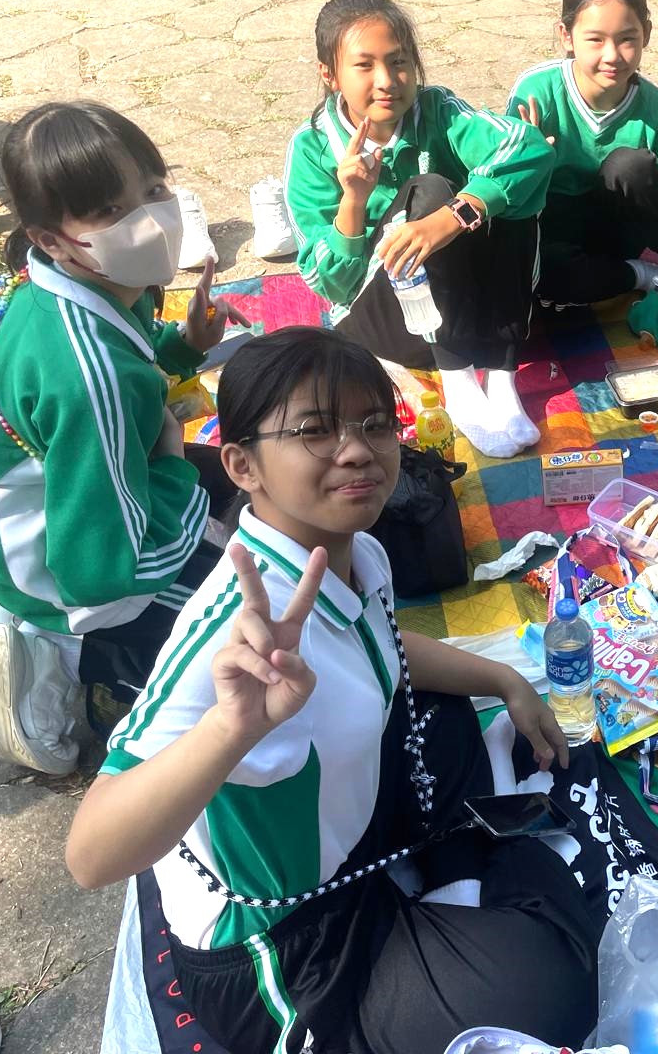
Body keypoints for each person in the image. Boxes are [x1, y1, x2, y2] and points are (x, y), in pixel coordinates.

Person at [67, 327, 597, 1054]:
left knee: (440, 712)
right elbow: (91, 855)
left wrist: (505, 680)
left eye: (375, 424)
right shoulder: (236, 633)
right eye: (315, 430)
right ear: (242, 464)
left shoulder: (356, 552)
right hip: (282, 936)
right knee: (541, 996)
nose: (357, 451)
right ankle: (451, 892)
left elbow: (384, 647)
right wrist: (231, 730)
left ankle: (447, 888)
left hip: (347, 841)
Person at [0, 101, 246, 776]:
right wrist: (172, 463)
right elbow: (99, 568)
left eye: (152, 189)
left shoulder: (93, 283)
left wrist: (182, 345)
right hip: (49, 552)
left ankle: (58, 624)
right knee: (249, 617)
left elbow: (128, 357)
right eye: (109, 211)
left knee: (241, 490)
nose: (148, 218)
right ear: (52, 240)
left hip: (18, 488)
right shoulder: (87, 376)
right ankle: (68, 652)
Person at [283, 0, 555, 459]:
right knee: (429, 190)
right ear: (330, 75)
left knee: (512, 190)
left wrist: (456, 214)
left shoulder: (437, 110)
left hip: (467, 311)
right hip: (384, 323)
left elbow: (527, 145)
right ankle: (459, 383)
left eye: (399, 62)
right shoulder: (312, 149)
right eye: (364, 66)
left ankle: (502, 376)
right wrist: (353, 201)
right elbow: (330, 285)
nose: (387, 81)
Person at [508, 0, 658, 352]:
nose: (612, 55)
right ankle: (639, 275)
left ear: (646, 34)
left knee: (630, 166)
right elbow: (506, 199)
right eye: (595, 39)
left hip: (622, 232)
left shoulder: (655, 108)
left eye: (627, 39)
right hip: (557, 233)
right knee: (539, 277)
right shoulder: (536, 94)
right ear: (566, 35)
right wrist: (532, 164)